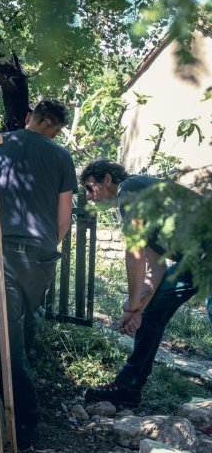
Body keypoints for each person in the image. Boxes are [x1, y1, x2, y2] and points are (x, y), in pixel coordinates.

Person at [0, 99, 78, 445]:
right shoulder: (62, 156)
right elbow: (63, 219)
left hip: (3, 252)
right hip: (40, 257)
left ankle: (26, 420)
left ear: (29, 118)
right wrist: (49, 245)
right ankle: (22, 399)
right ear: (55, 129)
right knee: (26, 323)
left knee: (9, 340)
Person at [80, 159, 209, 407]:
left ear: (107, 180)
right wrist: (138, 308)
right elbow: (156, 268)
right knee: (152, 313)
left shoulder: (129, 188)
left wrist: (130, 306)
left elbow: (135, 252)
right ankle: (127, 387)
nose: (88, 197)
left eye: (89, 187)